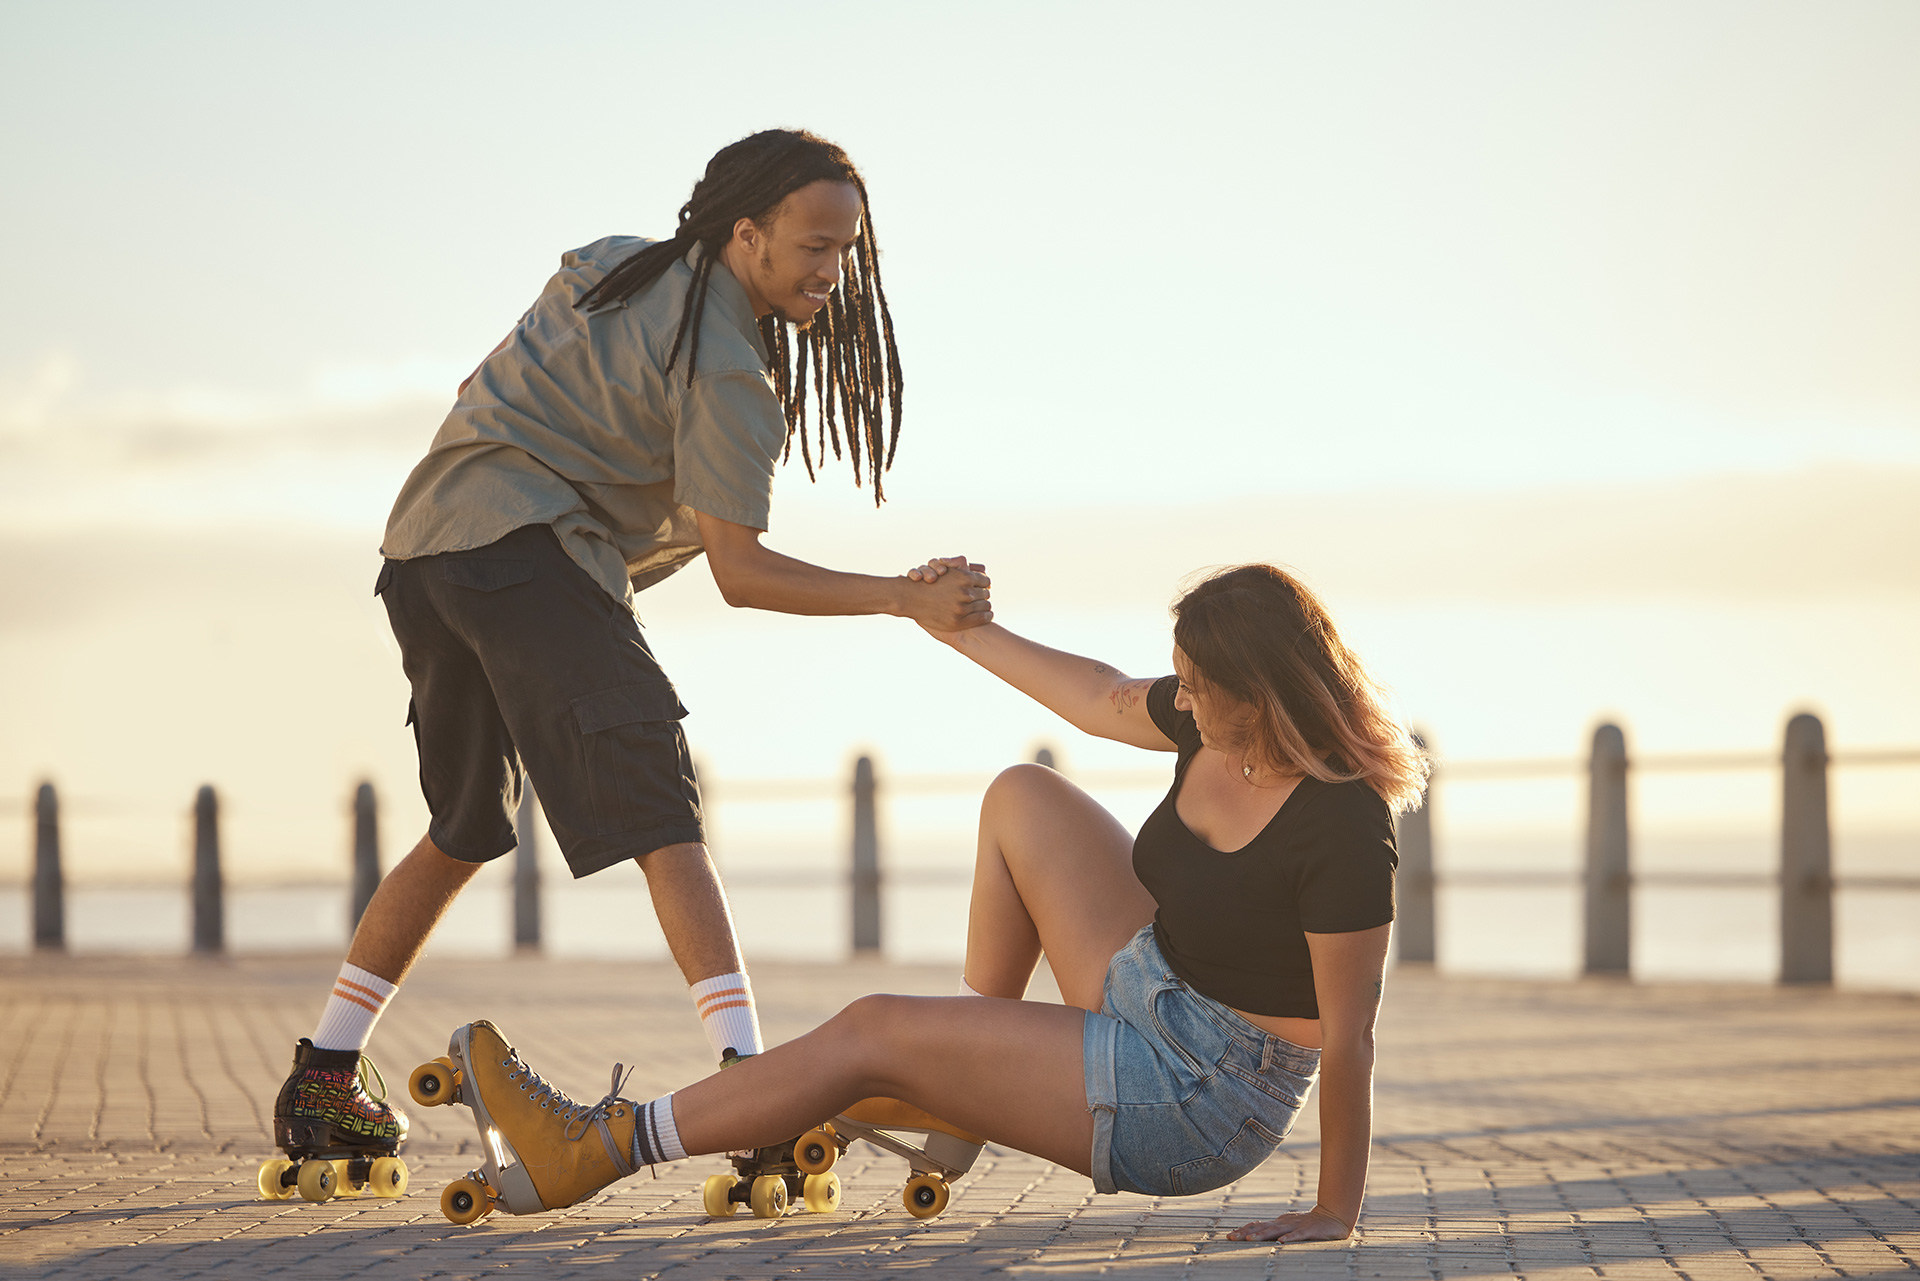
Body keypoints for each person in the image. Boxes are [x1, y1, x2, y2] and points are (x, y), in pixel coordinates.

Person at [268, 129, 991, 1175]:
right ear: (747, 235)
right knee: (664, 809)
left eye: (846, 251)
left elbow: (487, 374)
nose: (832, 272)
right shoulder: (730, 368)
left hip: (425, 546)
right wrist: (900, 599)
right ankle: (753, 1091)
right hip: (526, 556)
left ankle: (326, 1079)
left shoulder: (613, 260)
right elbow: (743, 576)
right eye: (813, 247)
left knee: (465, 828)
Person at [435, 562, 1428, 1240]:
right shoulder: (1218, 725)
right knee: (1021, 797)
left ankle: (594, 1148)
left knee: (869, 1032)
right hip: (1153, 982)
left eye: (1201, 685)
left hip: (1199, 1097)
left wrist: (1333, 1211)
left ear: (1260, 692)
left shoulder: (1342, 826)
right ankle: (963, 1097)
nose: (1181, 697)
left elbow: (1350, 1041)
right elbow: (1096, 693)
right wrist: (957, 626)